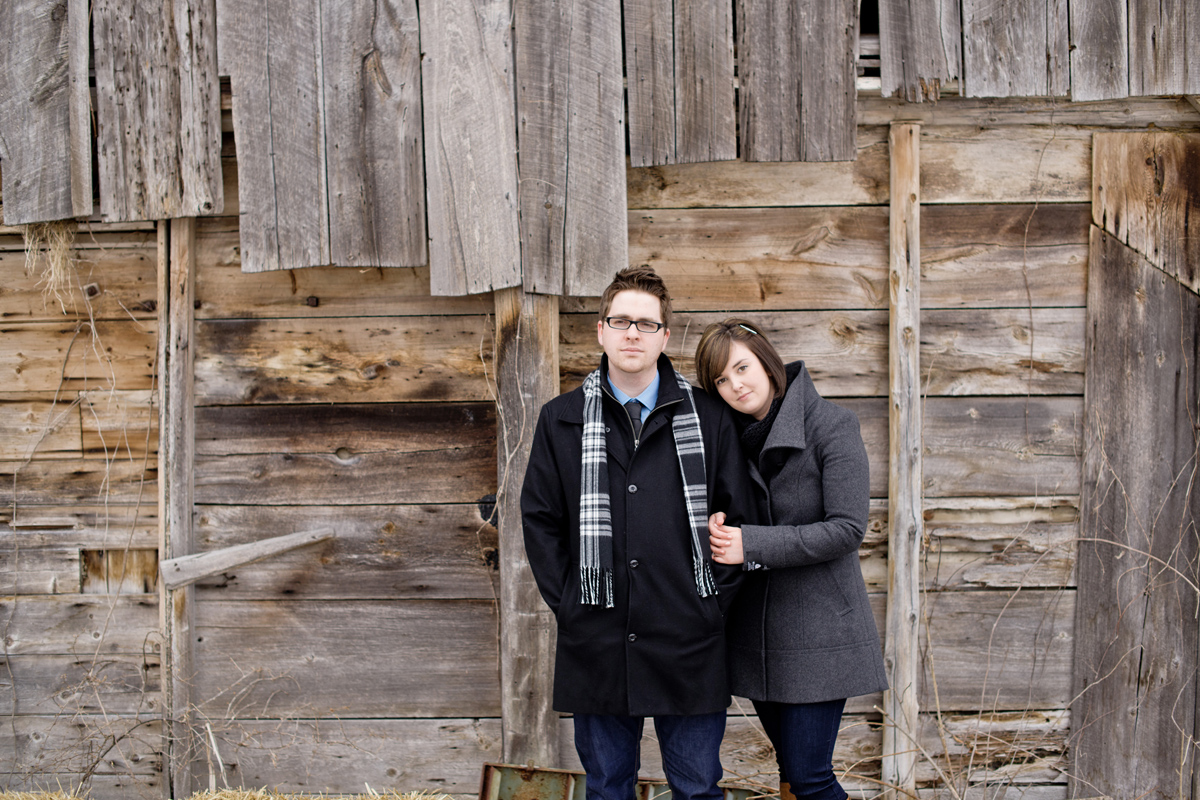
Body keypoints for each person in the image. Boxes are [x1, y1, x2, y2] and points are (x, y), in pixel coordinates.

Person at [521, 266, 755, 800]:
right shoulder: (561, 419)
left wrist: (711, 602)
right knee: (607, 788)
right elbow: (540, 519)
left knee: (697, 788)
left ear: (664, 337)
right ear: (601, 330)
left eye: (646, 324)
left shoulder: (708, 416)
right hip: (597, 638)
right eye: (621, 320)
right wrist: (571, 602)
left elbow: (738, 516)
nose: (632, 333)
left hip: (689, 638)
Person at [693, 319, 888, 800]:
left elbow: (847, 528)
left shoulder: (832, 426)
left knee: (809, 775)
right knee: (790, 775)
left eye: (742, 367)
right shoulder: (726, 440)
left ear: (767, 361)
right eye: (720, 379)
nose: (735, 384)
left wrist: (751, 544)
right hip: (757, 635)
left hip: (819, 632)